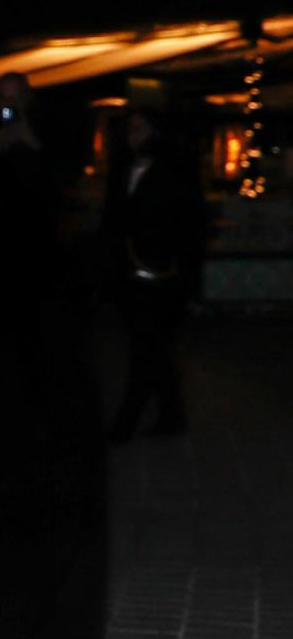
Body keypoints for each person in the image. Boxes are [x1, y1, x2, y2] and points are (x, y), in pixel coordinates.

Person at [102, 106, 203, 442]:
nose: (134, 136)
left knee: (147, 347)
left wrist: (185, 277)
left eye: (141, 129)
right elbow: (113, 220)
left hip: (162, 273)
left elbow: (189, 225)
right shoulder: (123, 167)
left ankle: (127, 421)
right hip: (129, 271)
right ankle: (170, 414)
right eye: (131, 129)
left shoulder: (176, 169)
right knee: (152, 347)